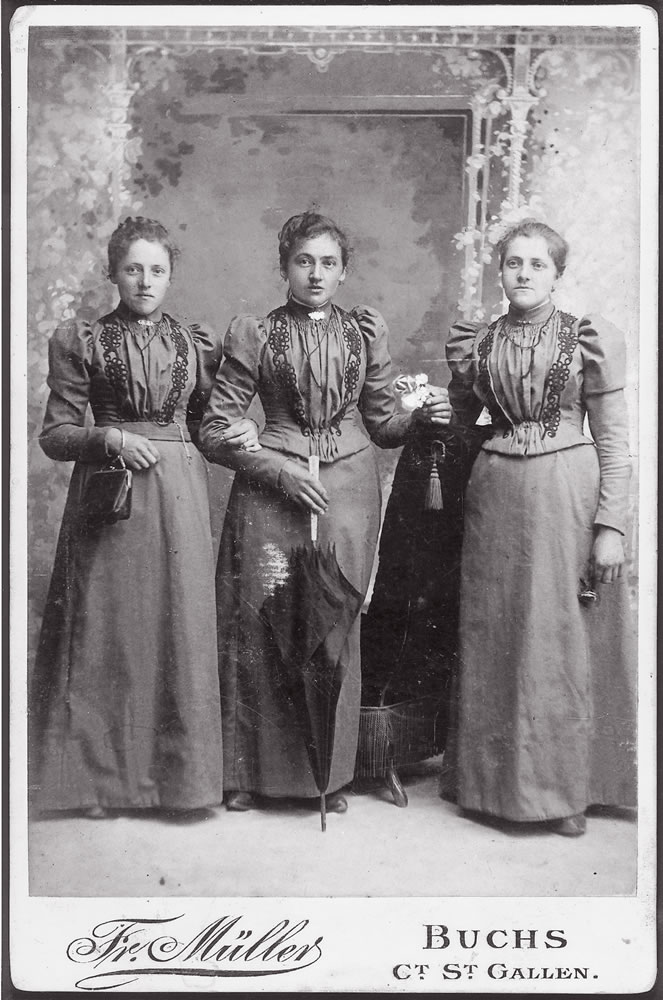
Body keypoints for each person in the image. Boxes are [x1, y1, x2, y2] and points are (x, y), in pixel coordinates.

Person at [198, 210, 451, 814]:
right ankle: (249, 775)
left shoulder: (363, 334)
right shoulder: (256, 333)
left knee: (335, 620)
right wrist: (275, 468)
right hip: (271, 491)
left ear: (344, 273)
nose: (316, 273)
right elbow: (214, 429)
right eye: (304, 261)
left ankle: (327, 778)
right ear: (285, 267)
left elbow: (384, 425)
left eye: (328, 263)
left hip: (349, 490)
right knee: (262, 618)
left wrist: (419, 418)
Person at [29, 216, 258, 818]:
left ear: (171, 276)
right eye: (133, 269)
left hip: (179, 495)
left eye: (157, 270)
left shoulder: (193, 344)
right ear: (114, 273)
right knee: (109, 631)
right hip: (111, 496)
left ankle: (177, 784)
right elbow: (55, 435)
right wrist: (109, 438)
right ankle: (99, 784)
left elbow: (209, 427)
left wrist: (243, 427)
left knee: (176, 629)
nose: (145, 281)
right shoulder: (84, 340)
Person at [444, 218, 636, 836]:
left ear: (557, 273)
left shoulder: (585, 338)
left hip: (566, 497)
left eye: (537, 264)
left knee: (557, 640)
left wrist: (611, 526)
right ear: (499, 271)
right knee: (495, 631)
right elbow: (458, 421)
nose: (523, 273)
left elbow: (614, 442)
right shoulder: (478, 342)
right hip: (495, 494)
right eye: (513, 263)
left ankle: (564, 792)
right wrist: (422, 411)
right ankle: (490, 787)